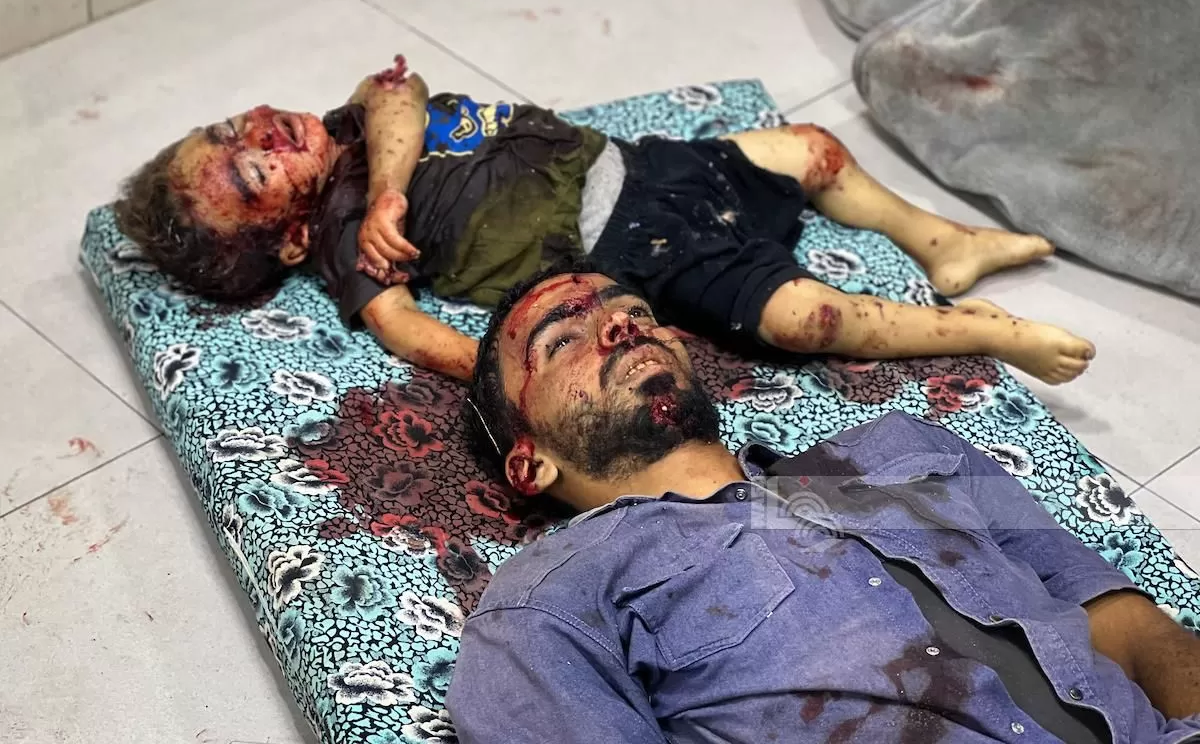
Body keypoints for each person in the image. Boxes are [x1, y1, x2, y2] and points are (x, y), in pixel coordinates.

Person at [446, 265, 1200, 743]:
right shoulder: (547, 604)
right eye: (563, 341)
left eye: (634, 309)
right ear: (529, 463)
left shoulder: (902, 446)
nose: (621, 326)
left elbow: (1122, 620)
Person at [114, 55, 1095, 385]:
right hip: (628, 247)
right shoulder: (344, 245)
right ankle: (983, 332)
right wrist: (513, 370)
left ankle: (942, 240)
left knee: (812, 151)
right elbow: (403, 327)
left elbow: (394, 91)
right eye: (255, 167)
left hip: (636, 161)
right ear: (291, 236)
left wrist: (388, 191)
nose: (259, 130)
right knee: (809, 319)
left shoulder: (357, 126)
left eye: (231, 125)